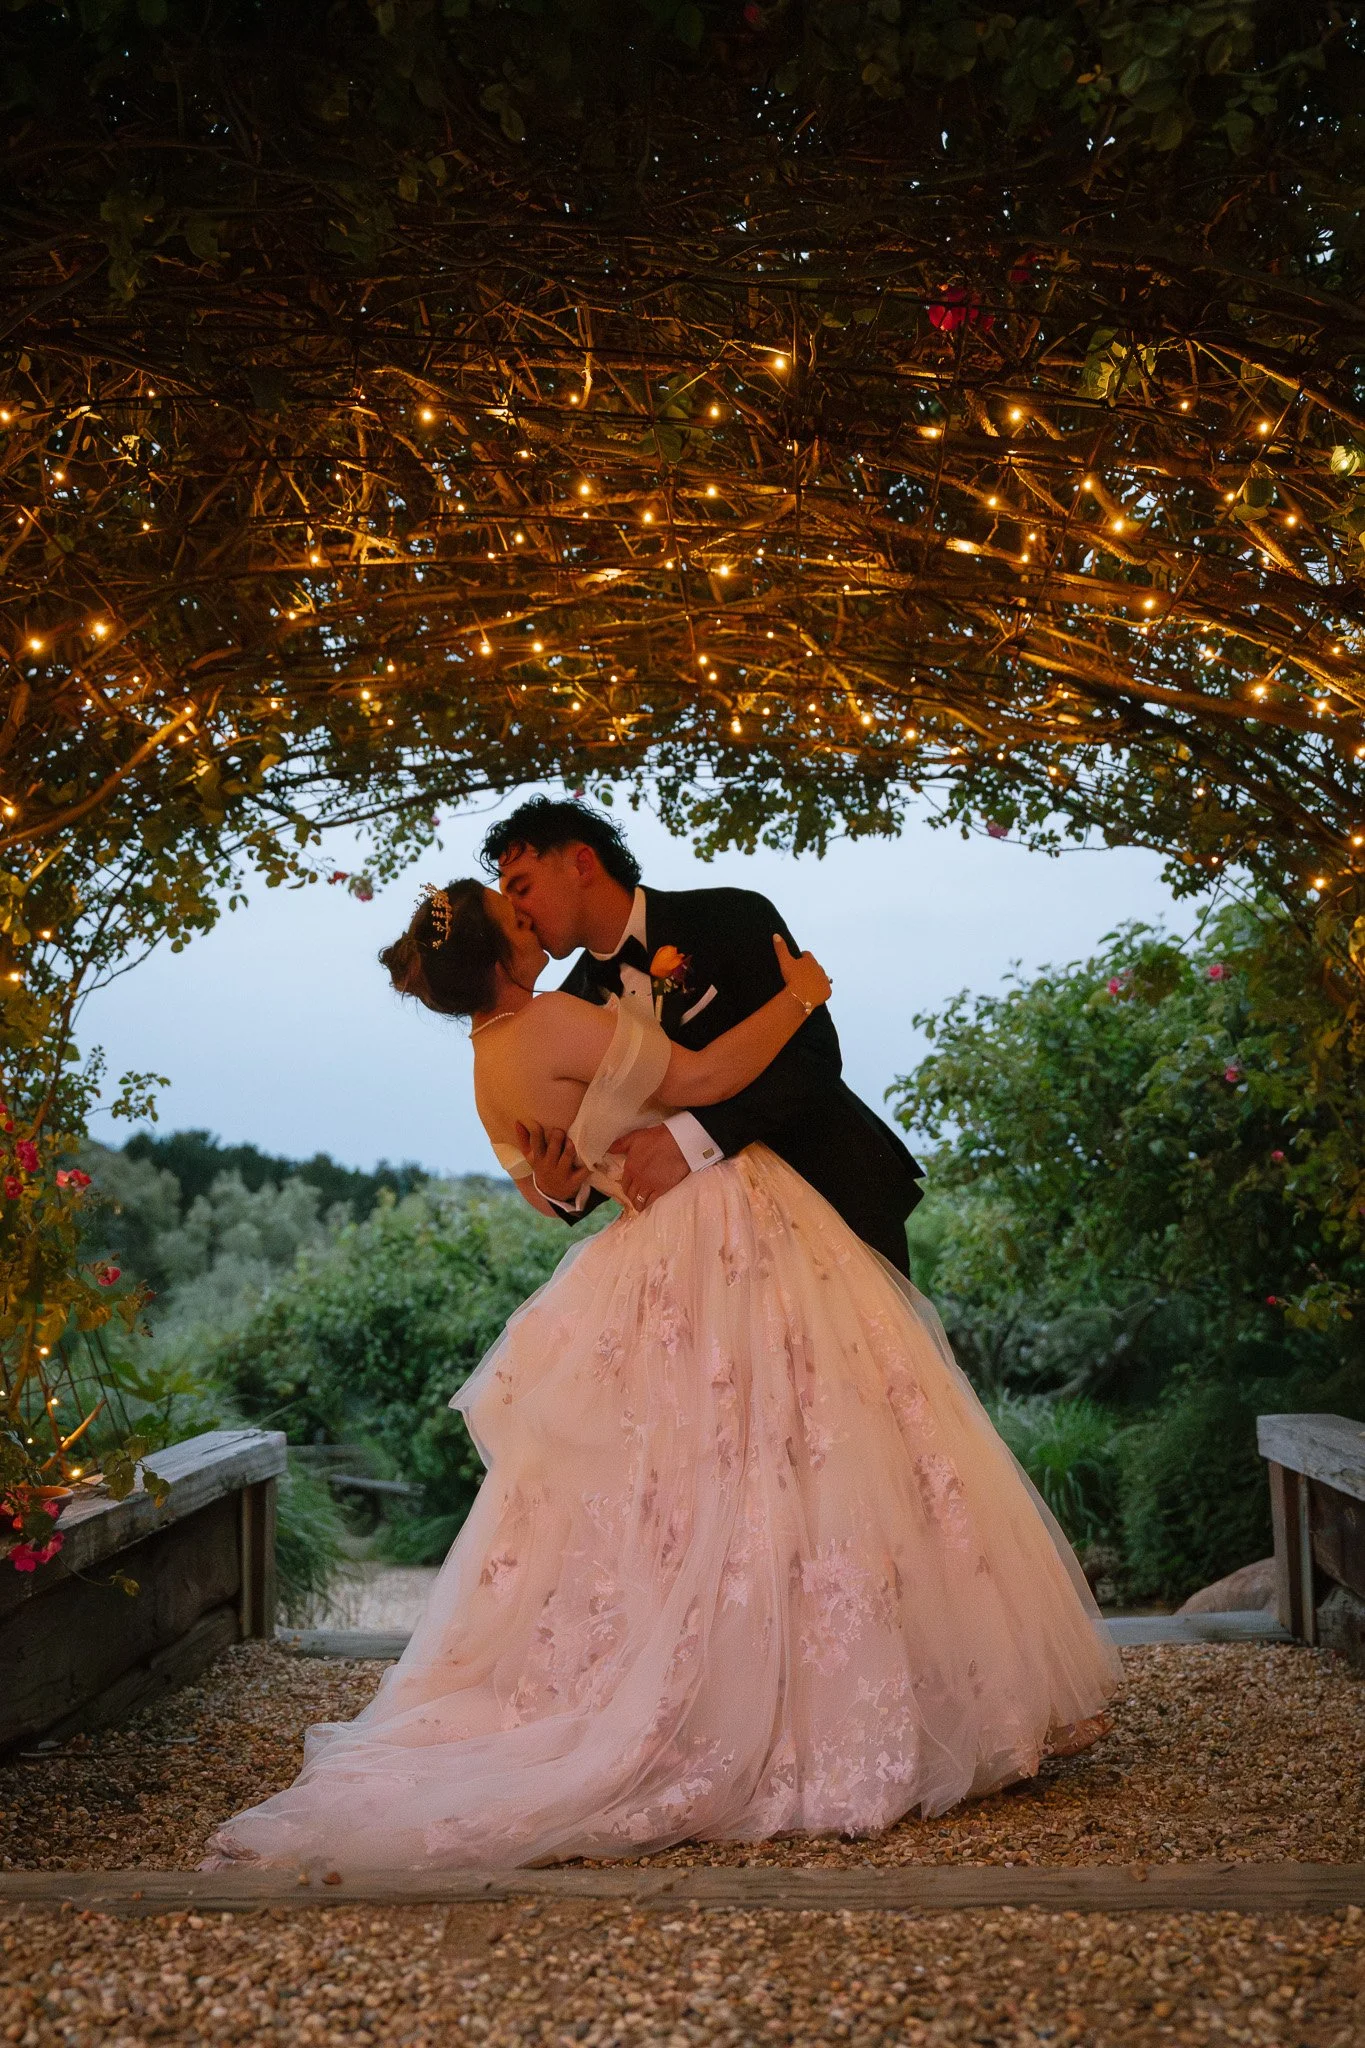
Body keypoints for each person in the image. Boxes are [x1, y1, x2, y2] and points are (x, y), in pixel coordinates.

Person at [202, 857, 1120, 1876]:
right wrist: (800, 996)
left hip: (647, 1247)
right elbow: (705, 1080)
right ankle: (828, 1698)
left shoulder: (487, 1067)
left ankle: (765, 1680)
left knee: (693, 1485)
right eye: (512, 913)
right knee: (807, 1445)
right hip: (719, 1228)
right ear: (501, 954)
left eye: (523, 893)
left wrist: (569, 1181)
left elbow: (546, 1187)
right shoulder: (558, 1019)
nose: (528, 917)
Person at [483, 797, 926, 1274]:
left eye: (522, 888)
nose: (518, 914)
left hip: (835, 1195)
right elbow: (611, 1151)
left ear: (582, 864)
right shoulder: (571, 1009)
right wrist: (559, 1188)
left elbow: (814, 1055)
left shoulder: (731, 916)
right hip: (711, 1258)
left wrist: (689, 1140)